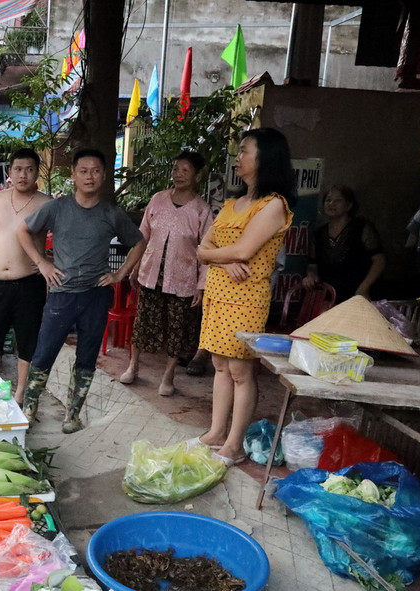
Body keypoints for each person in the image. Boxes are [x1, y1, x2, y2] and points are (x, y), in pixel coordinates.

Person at [18, 148, 146, 433]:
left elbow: (139, 241)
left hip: (95, 295)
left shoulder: (111, 214)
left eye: (96, 170)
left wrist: (120, 274)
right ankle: (29, 410)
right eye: (83, 171)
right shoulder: (57, 207)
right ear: (74, 175)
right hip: (62, 294)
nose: (90, 176)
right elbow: (23, 231)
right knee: (44, 354)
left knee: (87, 357)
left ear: (103, 175)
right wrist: (43, 263)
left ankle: (72, 415)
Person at [195, 128, 296, 466]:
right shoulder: (231, 203)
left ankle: (234, 444)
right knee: (219, 365)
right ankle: (215, 432)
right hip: (218, 295)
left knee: (240, 370)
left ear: (266, 158)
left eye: (244, 151)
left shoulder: (274, 206)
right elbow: (202, 248)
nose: (237, 158)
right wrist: (223, 257)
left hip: (246, 299)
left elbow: (244, 249)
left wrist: (217, 255)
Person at [119, 151, 212, 396]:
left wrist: (201, 286)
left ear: (197, 175)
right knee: (143, 324)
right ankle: (133, 366)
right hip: (151, 274)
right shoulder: (158, 200)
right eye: (175, 168)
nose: (178, 174)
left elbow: (207, 252)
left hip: (183, 280)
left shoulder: (201, 210)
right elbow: (143, 237)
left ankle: (168, 377)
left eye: (185, 170)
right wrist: (134, 267)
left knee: (177, 330)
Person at [0, 148, 52, 403]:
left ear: (37, 172)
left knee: (27, 342)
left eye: (29, 169)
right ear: (9, 172)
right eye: (18, 169)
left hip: (30, 284)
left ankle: (20, 395)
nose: (23, 175)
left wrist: (49, 262)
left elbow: (64, 236)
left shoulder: (47, 203)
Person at [303, 184, 385, 302]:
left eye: (338, 200)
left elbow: (379, 260)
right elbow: (312, 264)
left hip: (357, 294)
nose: (332, 204)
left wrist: (365, 286)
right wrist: (311, 275)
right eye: (328, 200)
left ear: (349, 205)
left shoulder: (361, 228)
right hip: (330, 297)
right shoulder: (319, 234)